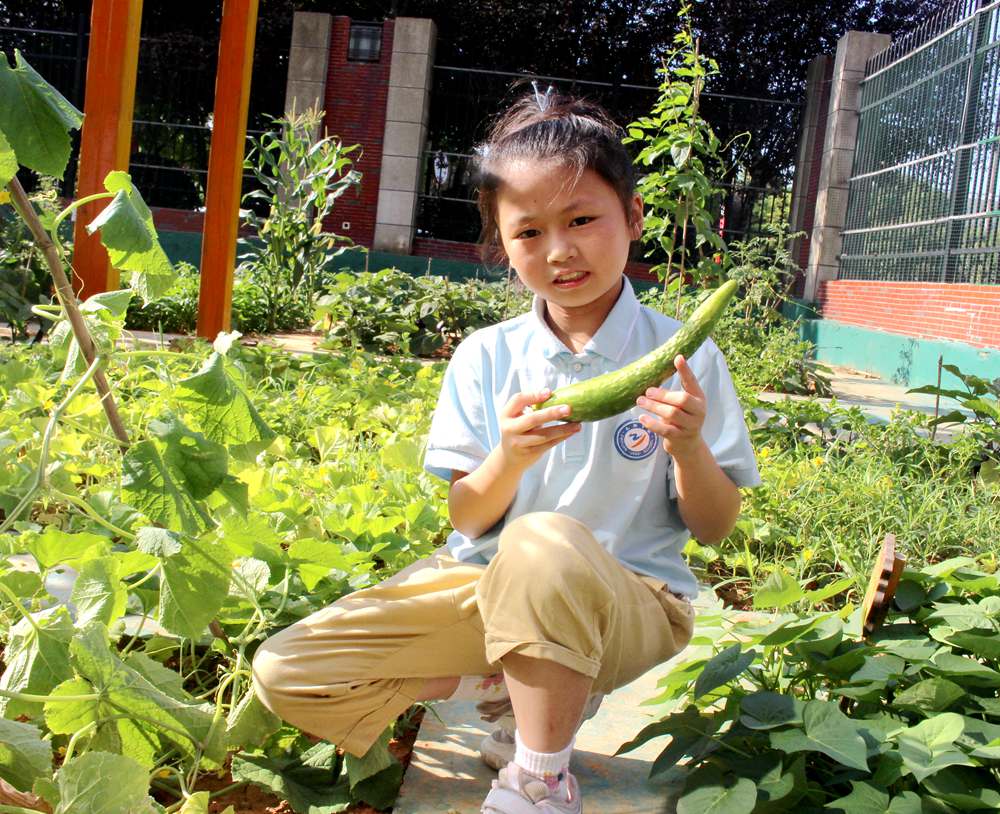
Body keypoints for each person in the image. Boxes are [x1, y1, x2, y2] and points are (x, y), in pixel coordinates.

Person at [251, 85, 760, 814]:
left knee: (544, 542)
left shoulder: (685, 360)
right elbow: (466, 517)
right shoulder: (486, 357)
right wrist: (511, 458)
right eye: (528, 233)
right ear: (501, 242)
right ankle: (516, 691)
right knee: (287, 668)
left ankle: (540, 779)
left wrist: (688, 449)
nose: (559, 251)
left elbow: (714, 526)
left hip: (635, 606)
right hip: (488, 593)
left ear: (634, 217)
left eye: (582, 219)